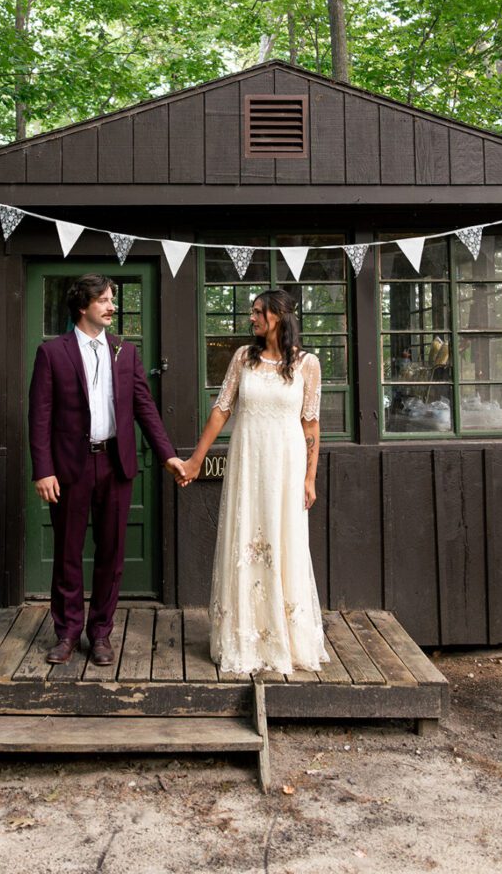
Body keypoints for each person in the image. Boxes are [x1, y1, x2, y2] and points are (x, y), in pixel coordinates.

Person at [28, 274, 185, 666]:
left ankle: (100, 633)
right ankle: (67, 633)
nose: (112, 306)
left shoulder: (125, 352)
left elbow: (144, 407)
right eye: (104, 300)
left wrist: (167, 455)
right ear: (83, 306)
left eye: (112, 299)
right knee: (67, 552)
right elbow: (40, 415)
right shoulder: (52, 353)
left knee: (112, 553)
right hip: (69, 467)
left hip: (116, 464)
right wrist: (43, 469)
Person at [180, 289, 329, 676]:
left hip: (286, 466)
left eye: (259, 312)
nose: (253, 318)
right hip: (248, 462)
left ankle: (285, 638)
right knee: (246, 538)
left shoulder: (307, 365)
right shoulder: (243, 358)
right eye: (252, 312)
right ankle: (245, 637)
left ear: (279, 315)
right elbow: (221, 410)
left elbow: (311, 424)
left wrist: (310, 477)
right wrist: (196, 459)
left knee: (285, 541)